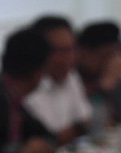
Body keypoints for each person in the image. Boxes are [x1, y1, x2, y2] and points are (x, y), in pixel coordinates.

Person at [24, 15, 92, 144]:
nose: (69, 58)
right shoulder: (28, 85)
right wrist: (76, 130)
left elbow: (85, 121)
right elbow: (47, 139)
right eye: (61, 51)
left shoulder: (71, 77)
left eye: (72, 49)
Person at [77, 21, 121, 108]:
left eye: (115, 55)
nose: (111, 62)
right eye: (106, 56)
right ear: (84, 53)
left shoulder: (101, 76)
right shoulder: (69, 75)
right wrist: (102, 87)